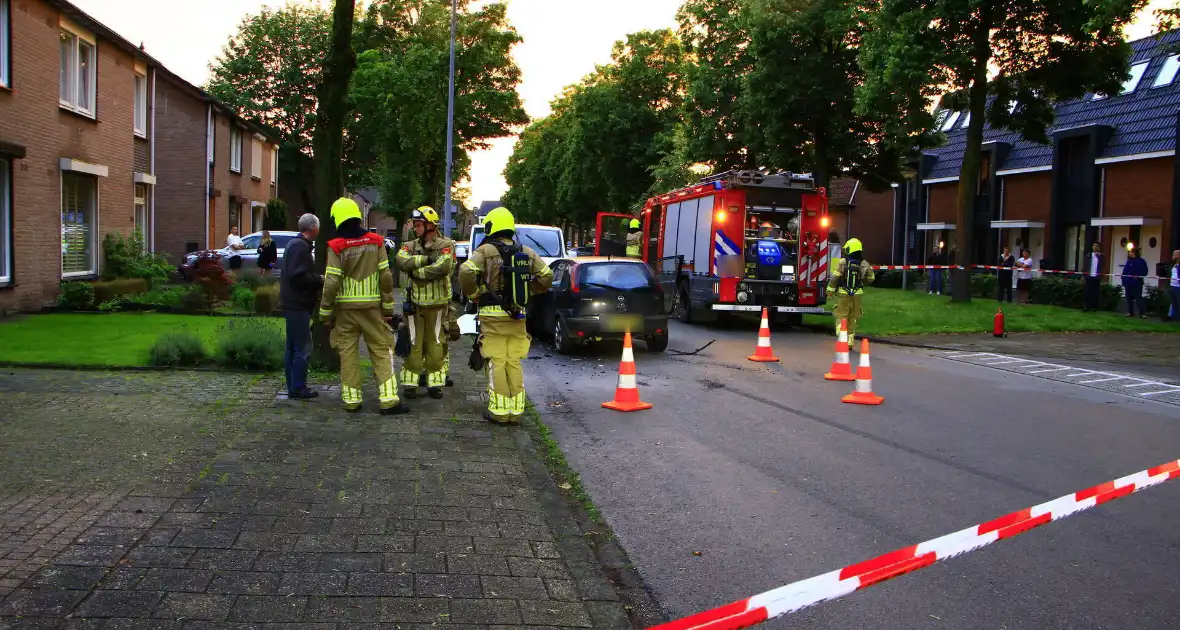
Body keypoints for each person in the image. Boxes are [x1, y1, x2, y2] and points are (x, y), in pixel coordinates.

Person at [458, 207, 554, 424]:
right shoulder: (527, 251)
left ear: (491, 226)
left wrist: (474, 293)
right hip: (518, 316)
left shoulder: (485, 251)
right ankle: (516, 411)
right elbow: (547, 276)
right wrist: (531, 291)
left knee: (496, 361)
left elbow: (465, 271)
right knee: (514, 362)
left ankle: (499, 413)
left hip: (493, 317)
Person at [319, 198, 407, 415]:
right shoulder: (376, 242)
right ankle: (388, 400)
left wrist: (325, 314)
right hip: (372, 310)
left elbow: (331, 283)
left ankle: (352, 400)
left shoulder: (335, 246)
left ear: (337, 219)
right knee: (381, 350)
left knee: (347, 353)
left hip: (345, 313)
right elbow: (386, 277)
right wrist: (387, 309)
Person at [395, 206, 455, 400]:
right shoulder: (409, 245)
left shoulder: (446, 244)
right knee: (413, 344)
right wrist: (425, 260)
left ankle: (435, 385)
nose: (415, 228)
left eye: (419, 224)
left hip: (438, 306)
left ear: (431, 225)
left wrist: (417, 271)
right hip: (414, 306)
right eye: (414, 224)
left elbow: (443, 267)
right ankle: (410, 385)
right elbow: (401, 260)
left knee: (436, 345)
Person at [279, 214, 323, 401]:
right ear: (313, 228)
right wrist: (318, 279)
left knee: (292, 347)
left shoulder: (293, 245)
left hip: (291, 303)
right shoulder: (300, 247)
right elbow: (298, 275)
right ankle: (298, 388)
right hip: (298, 304)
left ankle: (293, 387)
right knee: (302, 348)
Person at [827, 237, 876, 350]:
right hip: (857, 294)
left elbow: (835, 277)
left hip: (843, 293)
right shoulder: (864, 263)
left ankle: (841, 337)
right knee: (852, 317)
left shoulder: (843, 262)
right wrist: (862, 281)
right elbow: (871, 278)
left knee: (841, 316)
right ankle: (850, 341)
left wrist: (830, 290)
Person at [1121, 247, 1149, 318]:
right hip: (1128, 283)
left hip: (1137, 283)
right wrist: (1123, 280)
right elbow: (1125, 272)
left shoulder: (1141, 261)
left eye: (1130, 252)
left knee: (1138, 298)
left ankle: (1142, 313)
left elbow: (1145, 271)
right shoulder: (1129, 261)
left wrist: (1138, 276)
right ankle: (1130, 312)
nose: (1129, 253)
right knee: (1128, 298)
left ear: (1134, 253)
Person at [1083, 242, 1104, 312]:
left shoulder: (1101, 256)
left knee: (1095, 293)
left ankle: (1094, 307)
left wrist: (1099, 256)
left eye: (1097, 246)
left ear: (1099, 248)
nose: (1095, 247)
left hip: (1096, 277)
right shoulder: (1088, 255)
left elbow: (1103, 265)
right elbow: (1085, 265)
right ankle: (1086, 307)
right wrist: (1084, 275)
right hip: (1089, 277)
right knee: (1087, 292)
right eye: (1094, 245)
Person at [1168, 250, 1180, 322]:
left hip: (1179, 287)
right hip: (1172, 286)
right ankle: (1175, 318)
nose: (1172, 256)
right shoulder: (1174, 265)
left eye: (1174, 254)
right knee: (1174, 303)